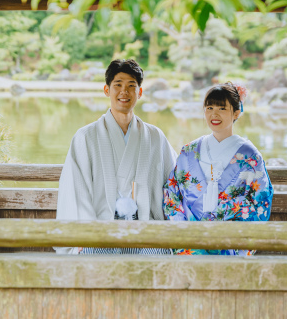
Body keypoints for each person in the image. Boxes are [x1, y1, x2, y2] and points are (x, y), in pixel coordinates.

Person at [55, 59, 176, 254]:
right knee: (88, 258)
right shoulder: (85, 137)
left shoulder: (154, 137)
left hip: (144, 231)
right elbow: (76, 189)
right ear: (106, 90)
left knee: (162, 258)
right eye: (118, 85)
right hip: (99, 232)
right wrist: (83, 234)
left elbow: (173, 179)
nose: (124, 92)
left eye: (131, 86)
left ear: (140, 92)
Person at [163, 82, 273, 255]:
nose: (214, 114)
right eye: (209, 107)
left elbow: (259, 200)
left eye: (222, 108)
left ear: (236, 113)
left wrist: (226, 229)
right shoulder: (189, 151)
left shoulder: (250, 157)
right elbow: (172, 193)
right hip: (189, 240)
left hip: (230, 242)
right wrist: (182, 230)